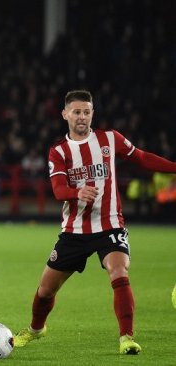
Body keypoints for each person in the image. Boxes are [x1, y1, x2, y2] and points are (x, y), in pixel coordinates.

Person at [13, 90, 176, 355]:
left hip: (110, 224)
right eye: (76, 112)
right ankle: (35, 330)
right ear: (65, 114)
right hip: (74, 231)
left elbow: (143, 158)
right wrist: (77, 192)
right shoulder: (59, 151)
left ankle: (127, 338)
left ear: (92, 114)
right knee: (45, 290)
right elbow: (57, 190)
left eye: (87, 112)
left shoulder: (110, 139)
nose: (82, 117)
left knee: (119, 271)